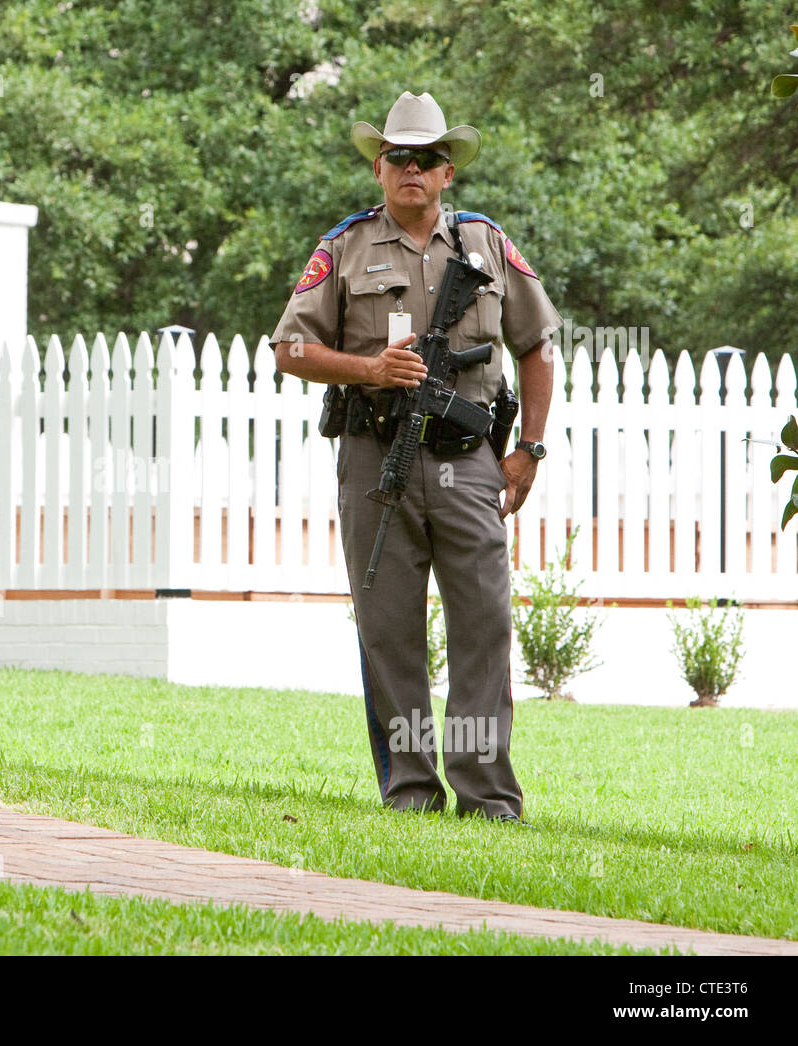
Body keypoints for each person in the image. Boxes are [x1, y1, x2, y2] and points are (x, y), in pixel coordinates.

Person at [271, 91, 561, 824]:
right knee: (389, 627)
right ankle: (410, 790)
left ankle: (487, 794)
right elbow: (290, 349)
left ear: (447, 173)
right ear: (379, 167)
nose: (413, 170)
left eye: (428, 159)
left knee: (484, 623)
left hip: (470, 462)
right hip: (376, 462)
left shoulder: (487, 246)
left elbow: (536, 346)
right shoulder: (343, 247)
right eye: (399, 157)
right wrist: (369, 369)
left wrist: (528, 448)